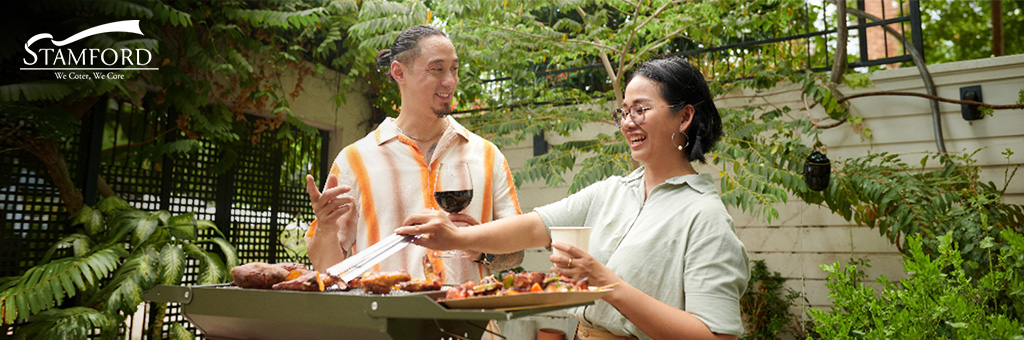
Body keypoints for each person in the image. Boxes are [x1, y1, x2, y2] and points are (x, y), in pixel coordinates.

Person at [397, 57, 749, 340]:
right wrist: (455, 237)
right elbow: (535, 227)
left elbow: (715, 335)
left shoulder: (705, 216)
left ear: (684, 116)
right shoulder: (612, 191)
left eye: (640, 109)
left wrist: (606, 284)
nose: (627, 123)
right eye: (623, 111)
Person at [304, 25, 523, 284]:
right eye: (437, 69)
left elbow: (516, 252)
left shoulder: (488, 156)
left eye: (454, 68)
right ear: (399, 72)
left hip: (468, 321)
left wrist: (479, 249)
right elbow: (327, 269)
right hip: (384, 320)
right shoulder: (354, 161)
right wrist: (327, 228)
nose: (450, 81)